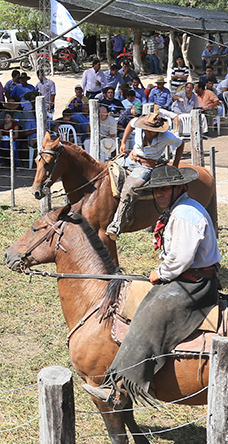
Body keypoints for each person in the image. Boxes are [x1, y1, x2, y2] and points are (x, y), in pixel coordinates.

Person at [86, 164, 219, 408]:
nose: (159, 194)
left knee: (148, 316)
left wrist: (160, 273)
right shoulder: (179, 209)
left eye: (164, 190)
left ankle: (122, 386)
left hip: (193, 283)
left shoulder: (184, 215)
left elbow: (181, 259)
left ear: (179, 187)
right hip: (186, 276)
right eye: (156, 191)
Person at [107, 105, 184, 237]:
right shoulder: (138, 125)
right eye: (146, 129)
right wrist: (123, 142)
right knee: (107, 169)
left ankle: (117, 223)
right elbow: (130, 125)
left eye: (151, 130)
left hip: (146, 166)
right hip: (130, 158)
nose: (148, 132)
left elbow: (181, 143)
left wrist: (175, 164)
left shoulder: (166, 136)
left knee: (128, 188)